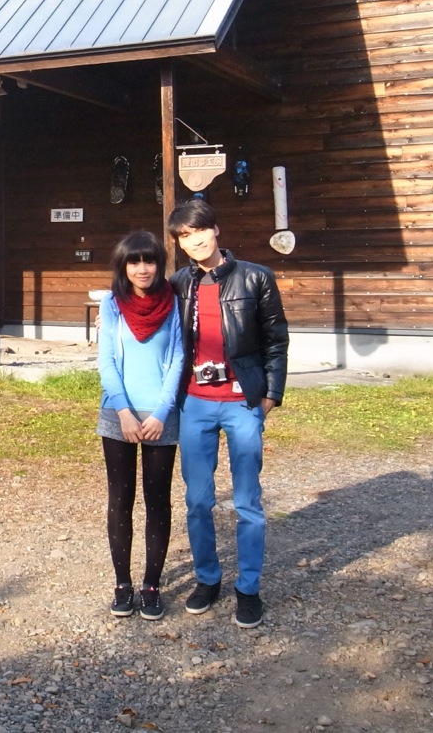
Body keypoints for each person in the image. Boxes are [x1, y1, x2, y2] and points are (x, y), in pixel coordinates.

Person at [167, 198, 289, 629]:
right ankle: (207, 579)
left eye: (200, 230)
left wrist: (270, 395)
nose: (195, 240)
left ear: (215, 229)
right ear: (180, 243)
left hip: (242, 403)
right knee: (198, 500)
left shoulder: (256, 277)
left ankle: (248, 588)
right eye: (185, 236)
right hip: (195, 403)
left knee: (247, 501)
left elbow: (276, 339)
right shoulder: (177, 284)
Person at [97, 230, 184, 621]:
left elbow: (179, 358)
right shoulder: (111, 304)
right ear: (124, 266)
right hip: (119, 415)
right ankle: (122, 584)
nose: (143, 268)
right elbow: (106, 362)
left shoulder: (173, 301)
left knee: (157, 500)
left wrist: (161, 412)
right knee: (120, 499)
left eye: (149, 261)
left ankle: (151, 585)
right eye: (134, 261)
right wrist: (124, 412)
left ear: (159, 264)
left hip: (160, 416)